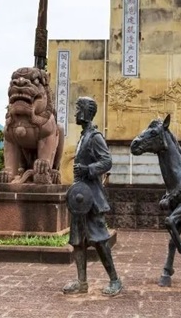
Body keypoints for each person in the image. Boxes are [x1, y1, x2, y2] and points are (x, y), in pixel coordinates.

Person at [62, 97, 122, 297]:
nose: (75, 112)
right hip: (80, 198)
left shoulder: (95, 137)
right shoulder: (83, 137)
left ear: (86, 112)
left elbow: (107, 161)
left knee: (100, 239)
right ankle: (81, 282)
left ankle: (115, 280)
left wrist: (88, 169)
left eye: (78, 108)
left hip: (92, 198)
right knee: (78, 240)